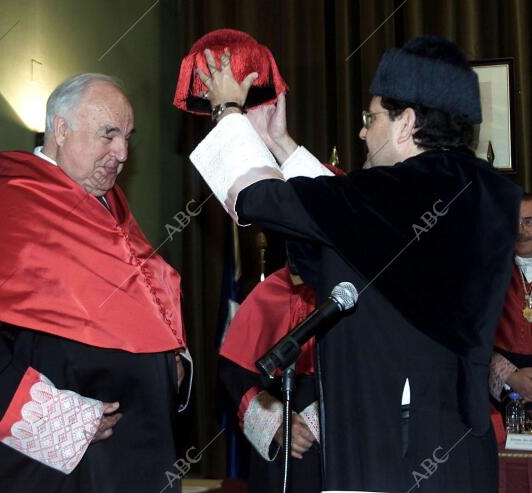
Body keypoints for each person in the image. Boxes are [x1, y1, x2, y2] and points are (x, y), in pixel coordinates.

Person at [187, 36, 521, 492]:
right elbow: (350, 231)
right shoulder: (471, 190)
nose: (363, 132)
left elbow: (261, 201)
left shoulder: (407, 192)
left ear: (406, 123)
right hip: (453, 452)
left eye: (372, 118)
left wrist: (227, 111)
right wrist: (278, 142)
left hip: (396, 452)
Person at [0, 73, 191, 493]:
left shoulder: (113, 210)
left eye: (127, 137)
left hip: (128, 458)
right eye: (109, 134)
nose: (121, 153)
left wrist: (168, 360)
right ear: (61, 129)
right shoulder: (13, 203)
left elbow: (147, 305)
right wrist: (65, 421)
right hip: (48, 470)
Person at [219, 265, 321, 492]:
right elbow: (235, 370)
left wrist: (322, 417)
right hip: (278, 451)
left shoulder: (361, 289)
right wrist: (276, 421)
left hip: (341, 450)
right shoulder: (271, 291)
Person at [490, 194, 532, 405]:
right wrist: (512, 378)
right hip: (506, 389)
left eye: (529, 221)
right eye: (513, 222)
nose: (521, 231)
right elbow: (475, 340)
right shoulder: (490, 275)